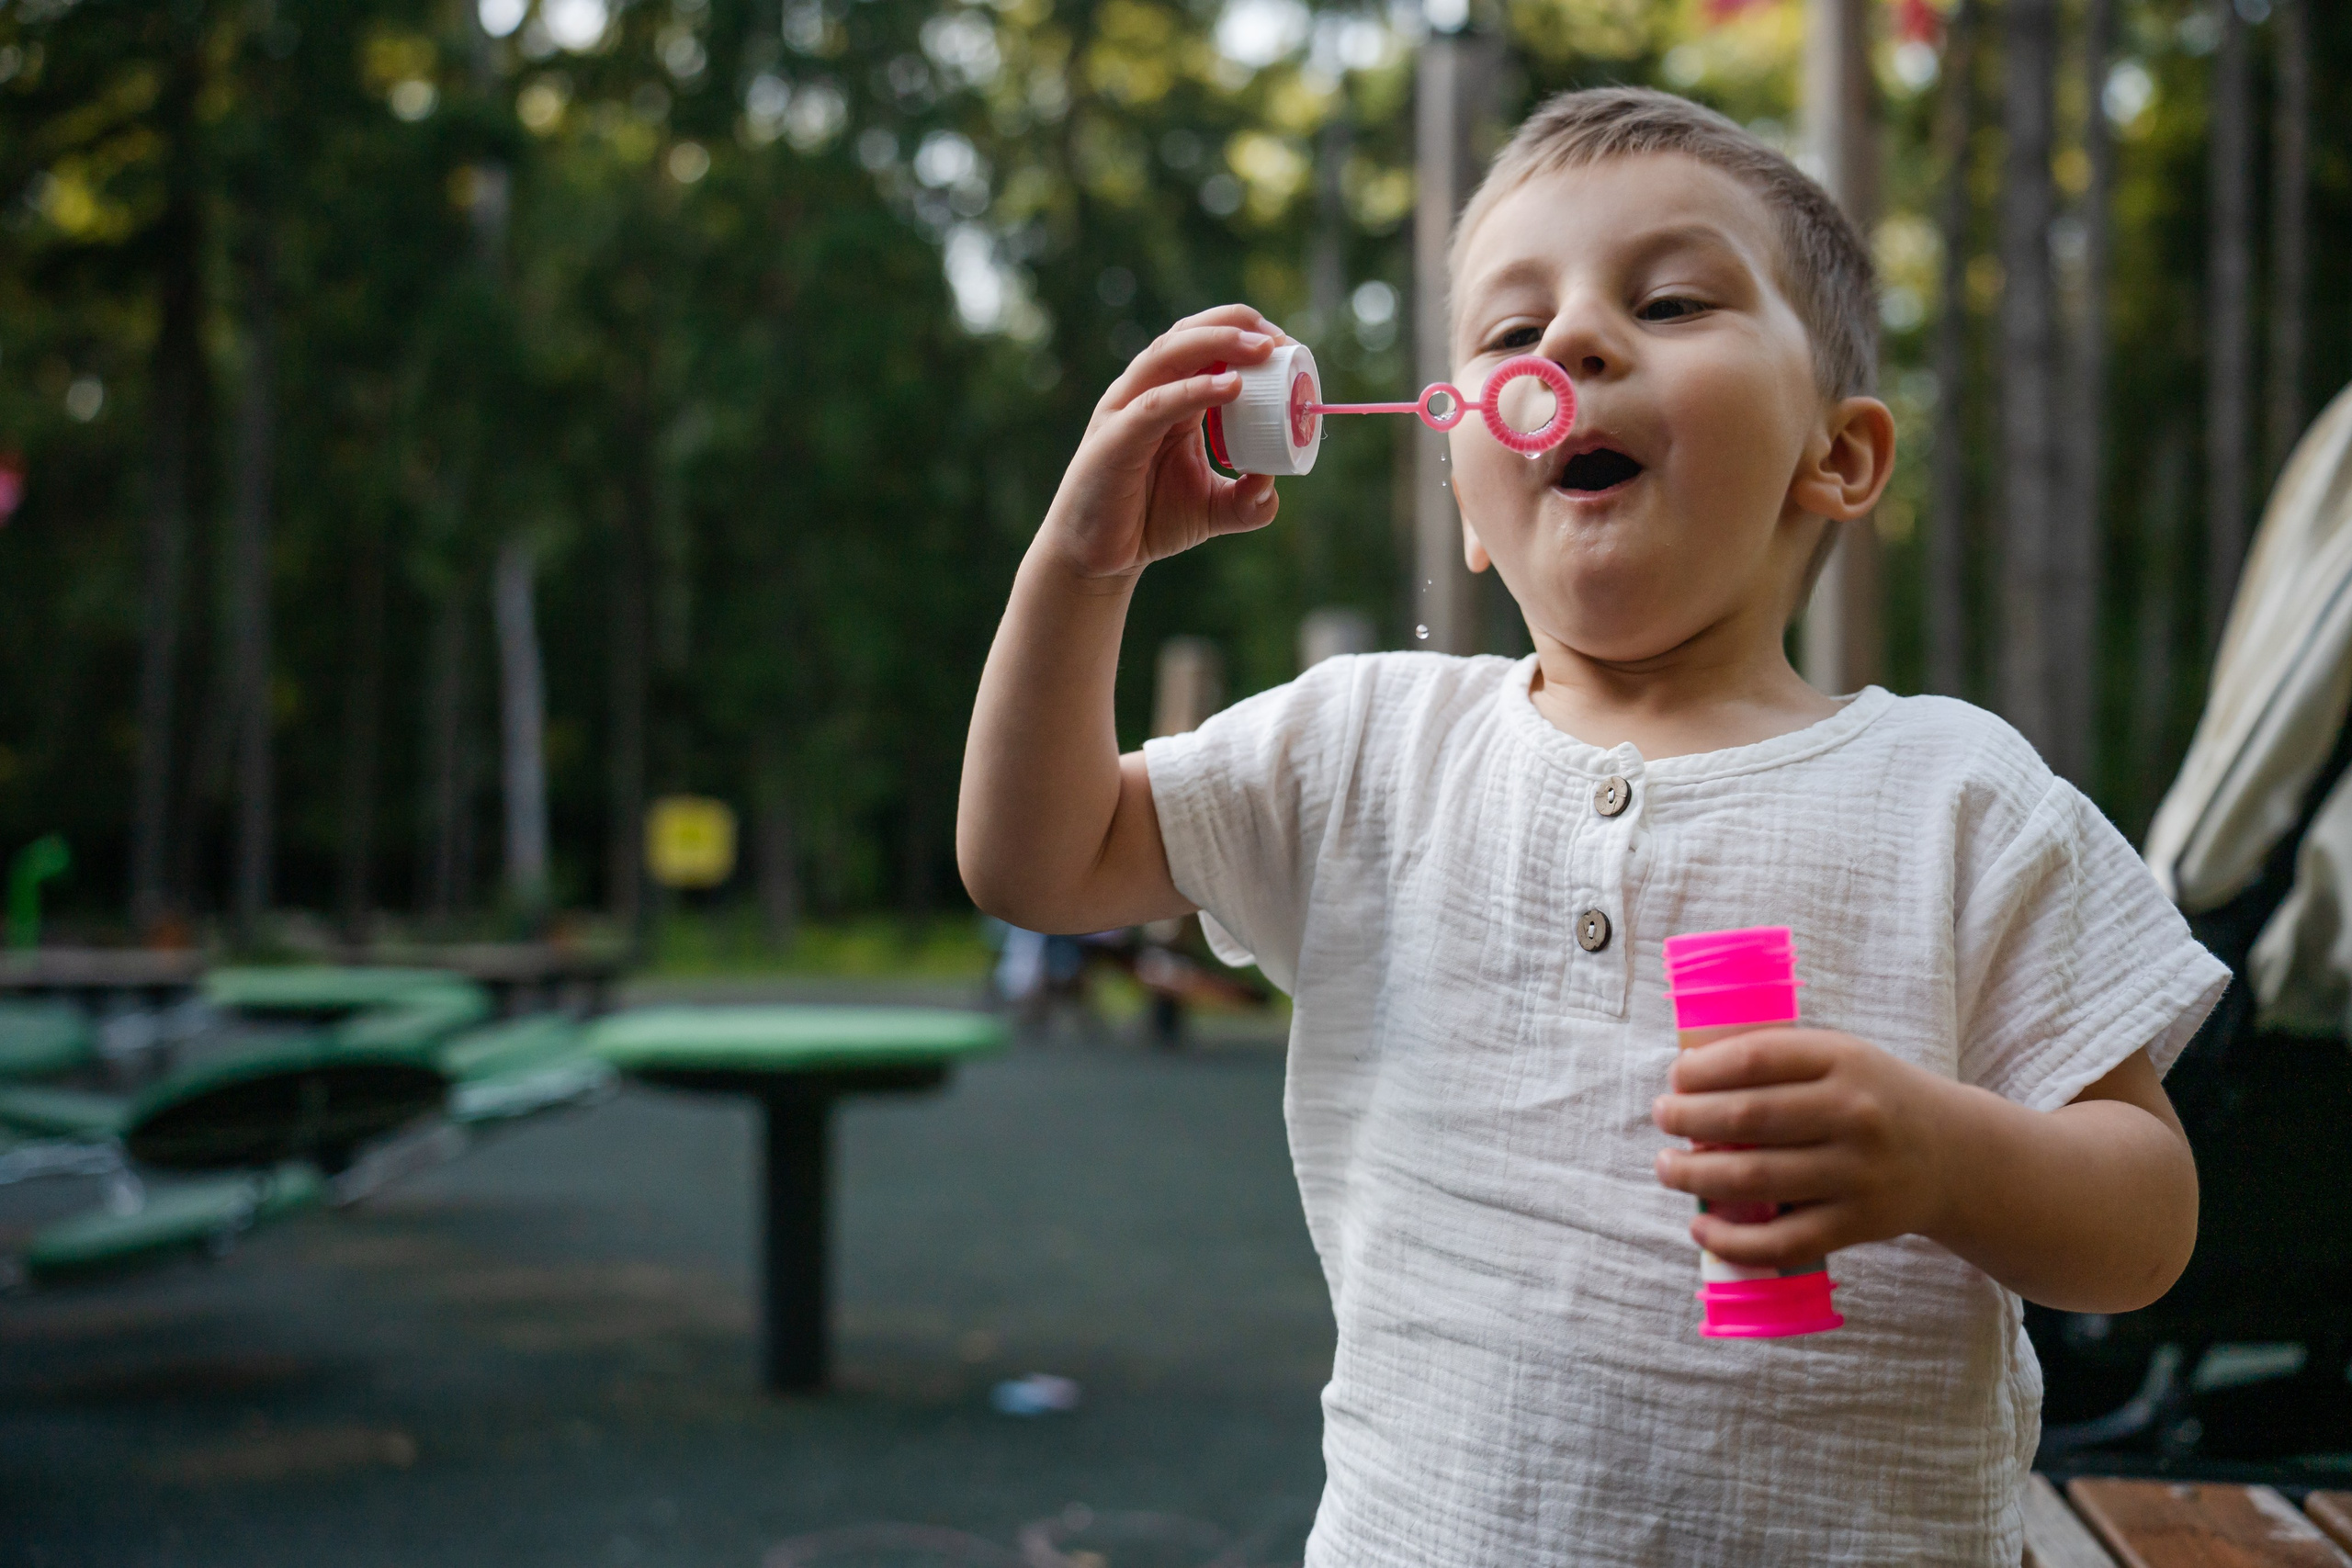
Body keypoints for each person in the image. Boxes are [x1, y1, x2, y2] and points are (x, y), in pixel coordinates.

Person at [956, 86, 2225, 1565]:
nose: (1564, 344)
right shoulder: (1367, 748)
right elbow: (1034, 859)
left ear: (1841, 456)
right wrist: (1081, 561)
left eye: (1672, 299)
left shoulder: (1957, 798)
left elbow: (2150, 1222)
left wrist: (1943, 1164)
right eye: (1508, 331)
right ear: (1475, 506)